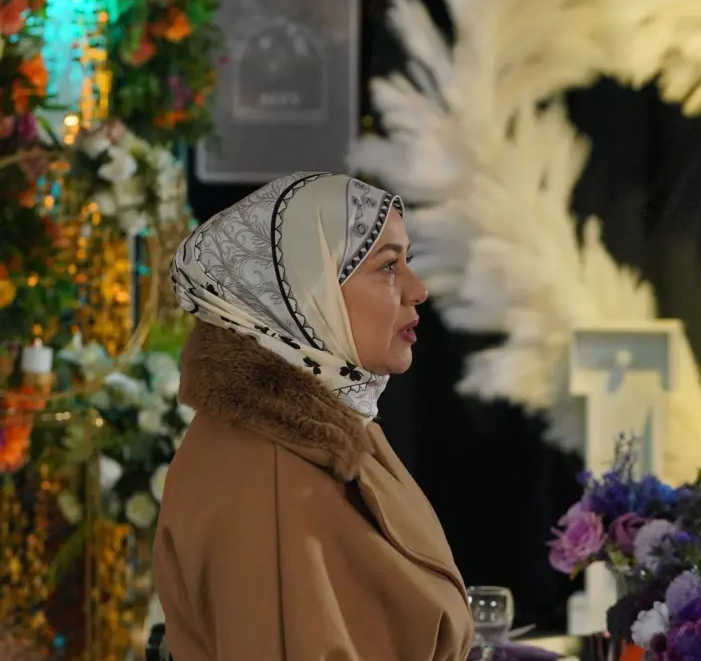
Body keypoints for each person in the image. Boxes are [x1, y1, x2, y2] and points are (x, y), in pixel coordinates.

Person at [153, 173, 473, 661]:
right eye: (388, 266)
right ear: (309, 291)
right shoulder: (273, 473)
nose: (418, 289)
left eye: (408, 261)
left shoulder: (319, 438)